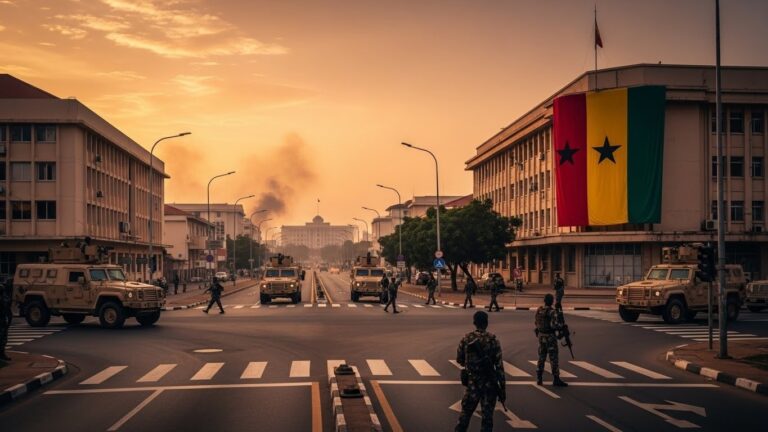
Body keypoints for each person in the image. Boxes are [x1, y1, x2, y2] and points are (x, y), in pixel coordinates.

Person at [455, 311, 506, 432]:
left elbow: (459, 359)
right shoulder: (493, 340)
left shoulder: (466, 338)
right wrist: (502, 389)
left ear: (474, 323)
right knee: (487, 419)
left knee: (465, 415)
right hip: (489, 385)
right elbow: (499, 368)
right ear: (487, 323)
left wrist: (471, 364)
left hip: (473, 383)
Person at [535, 294, 567, 387]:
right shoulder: (552, 312)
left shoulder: (539, 310)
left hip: (541, 337)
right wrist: (561, 326)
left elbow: (536, 323)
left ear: (544, 301)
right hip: (550, 338)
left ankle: (539, 378)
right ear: (551, 301)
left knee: (541, 357)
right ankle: (556, 379)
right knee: (553, 358)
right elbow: (555, 325)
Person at [0, 278, 13, 362]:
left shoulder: (4, 298)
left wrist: (9, 319)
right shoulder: (3, 299)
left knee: (3, 338)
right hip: (1, 319)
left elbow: (8, 309)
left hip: (3, 319)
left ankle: (2, 353)